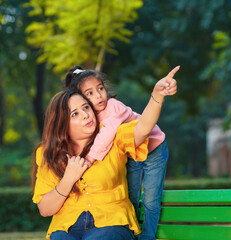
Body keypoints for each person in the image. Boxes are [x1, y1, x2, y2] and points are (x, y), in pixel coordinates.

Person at [32, 67, 178, 239]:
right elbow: (45, 209)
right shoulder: (47, 153)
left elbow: (144, 128)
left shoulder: (113, 135)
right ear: (62, 123)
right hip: (65, 227)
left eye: (86, 107)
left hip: (111, 224)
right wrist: (69, 178)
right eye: (75, 114)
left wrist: (157, 96)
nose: (86, 115)